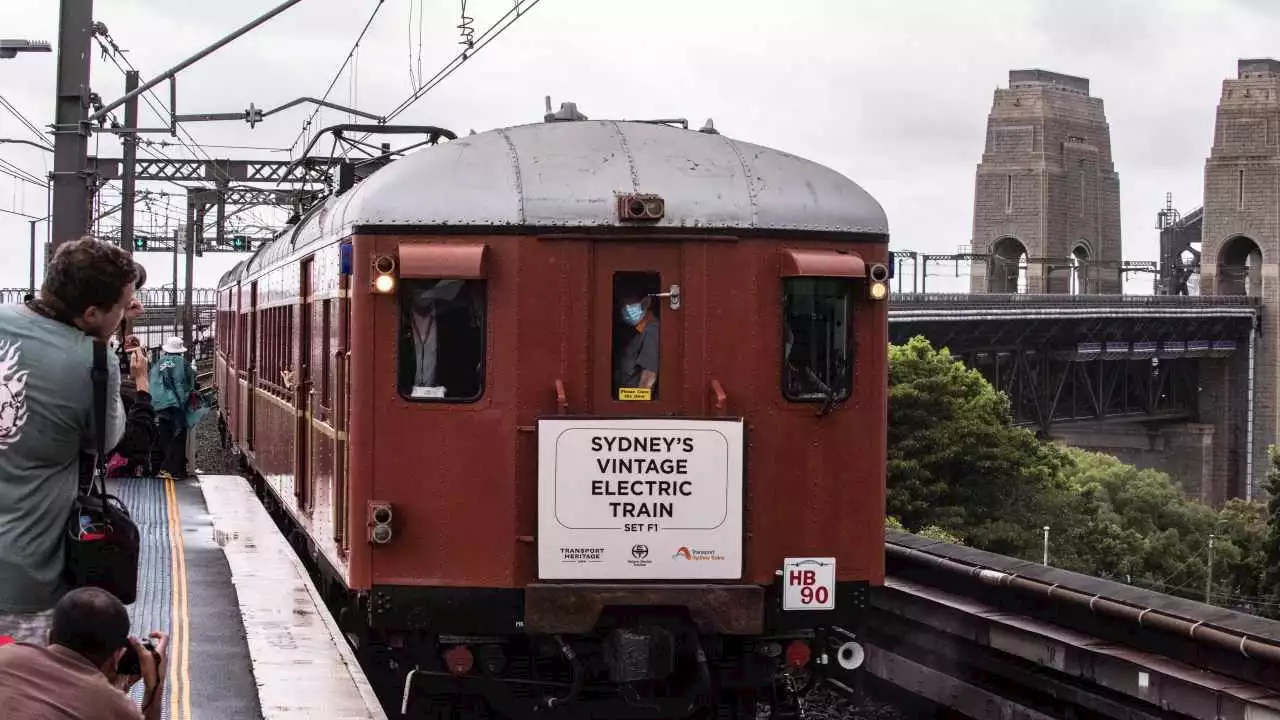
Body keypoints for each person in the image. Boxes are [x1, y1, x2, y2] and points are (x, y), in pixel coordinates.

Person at [0, 237, 135, 644]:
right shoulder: (93, 361)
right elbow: (106, 440)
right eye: (124, 306)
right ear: (92, 314)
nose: (128, 313)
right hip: (26, 583)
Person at [0, 586, 168, 720]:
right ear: (117, 656)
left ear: (49, 637)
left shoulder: (6, 655)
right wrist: (155, 689)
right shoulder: (112, 704)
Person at [149, 337, 198, 480]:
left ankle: (162, 469)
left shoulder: (159, 363)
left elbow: (152, 380)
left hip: (160, 406)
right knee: (178, 436)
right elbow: (190, 382)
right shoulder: (183, 363)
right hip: (177, 405)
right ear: (180, 351)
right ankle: (176, 470)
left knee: (164, 436)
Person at [614, 292, 659, 396]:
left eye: (629, 304)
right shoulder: (640, 332)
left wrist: (638, 404)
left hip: (633, 402)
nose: (625, 309)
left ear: (645, 303)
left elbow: (649, 376)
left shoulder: (652, 332)